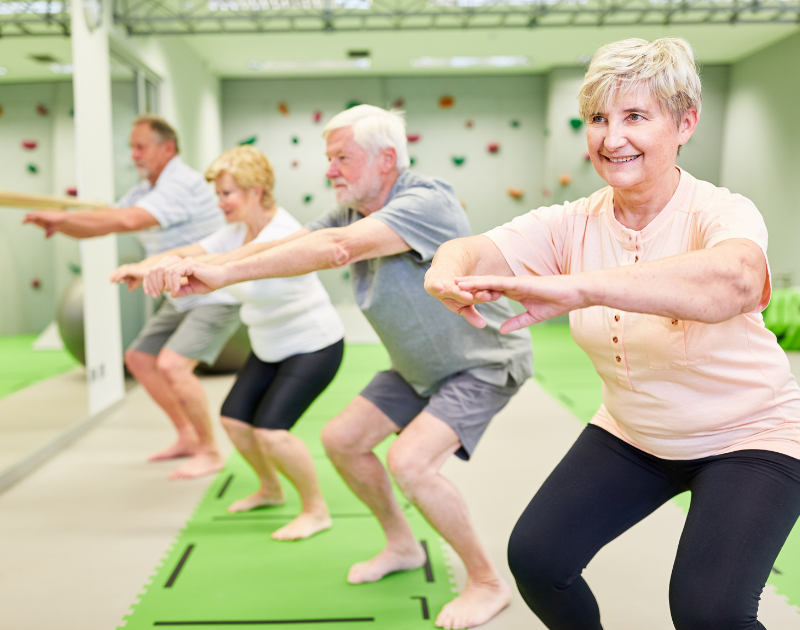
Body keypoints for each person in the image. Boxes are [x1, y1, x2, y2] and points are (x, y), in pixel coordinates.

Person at [425, 37, 800, 629]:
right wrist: (447, 269)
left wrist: (586, 286)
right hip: (634, 434)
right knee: (538, 559)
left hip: (749, 436)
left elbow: (733, 281)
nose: (611, 137)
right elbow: (474, 249)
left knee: (710, 611)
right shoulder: (571, 221)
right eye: (597, 118)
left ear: (685, 123)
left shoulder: (720, 211)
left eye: (635, 117)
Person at [143, 105, 533, 629]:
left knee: (411, 464)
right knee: (342, 440)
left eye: (342, 157)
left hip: (481, 362)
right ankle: (402, 544)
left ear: (387, 158)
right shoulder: (351, 207)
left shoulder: (425, 199)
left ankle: (486, 582)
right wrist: (201, 265)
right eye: (330, 158)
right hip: (417, 367)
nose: (330, 170)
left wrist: (220, 275)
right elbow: (290, 243)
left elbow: (333, 250)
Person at [116, 146, 345, 540]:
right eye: (218, 194)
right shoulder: (236, 231)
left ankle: (316, 510)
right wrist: (145, 267)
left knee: (272, 432)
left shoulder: (283, 233)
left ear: (256, 191)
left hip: (313, 345)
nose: (220, 203)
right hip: (268, 345)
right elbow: (193, 251)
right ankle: (270, 489)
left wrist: (181, 270)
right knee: (235, 422)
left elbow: (229, 263)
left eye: (227, 194)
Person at [25, 115, 241, 480]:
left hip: (214, 293)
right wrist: (62, 223)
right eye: (132, 147)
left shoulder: (181, 184)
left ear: (167, 148)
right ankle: (187, 437)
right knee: (140, 359)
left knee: (173, 365)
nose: (134, 155)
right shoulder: (146, 190)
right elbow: (106, 220)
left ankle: (210, 451)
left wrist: (62, 217)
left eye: (141, 147)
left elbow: (125, 222)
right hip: (180, 293)